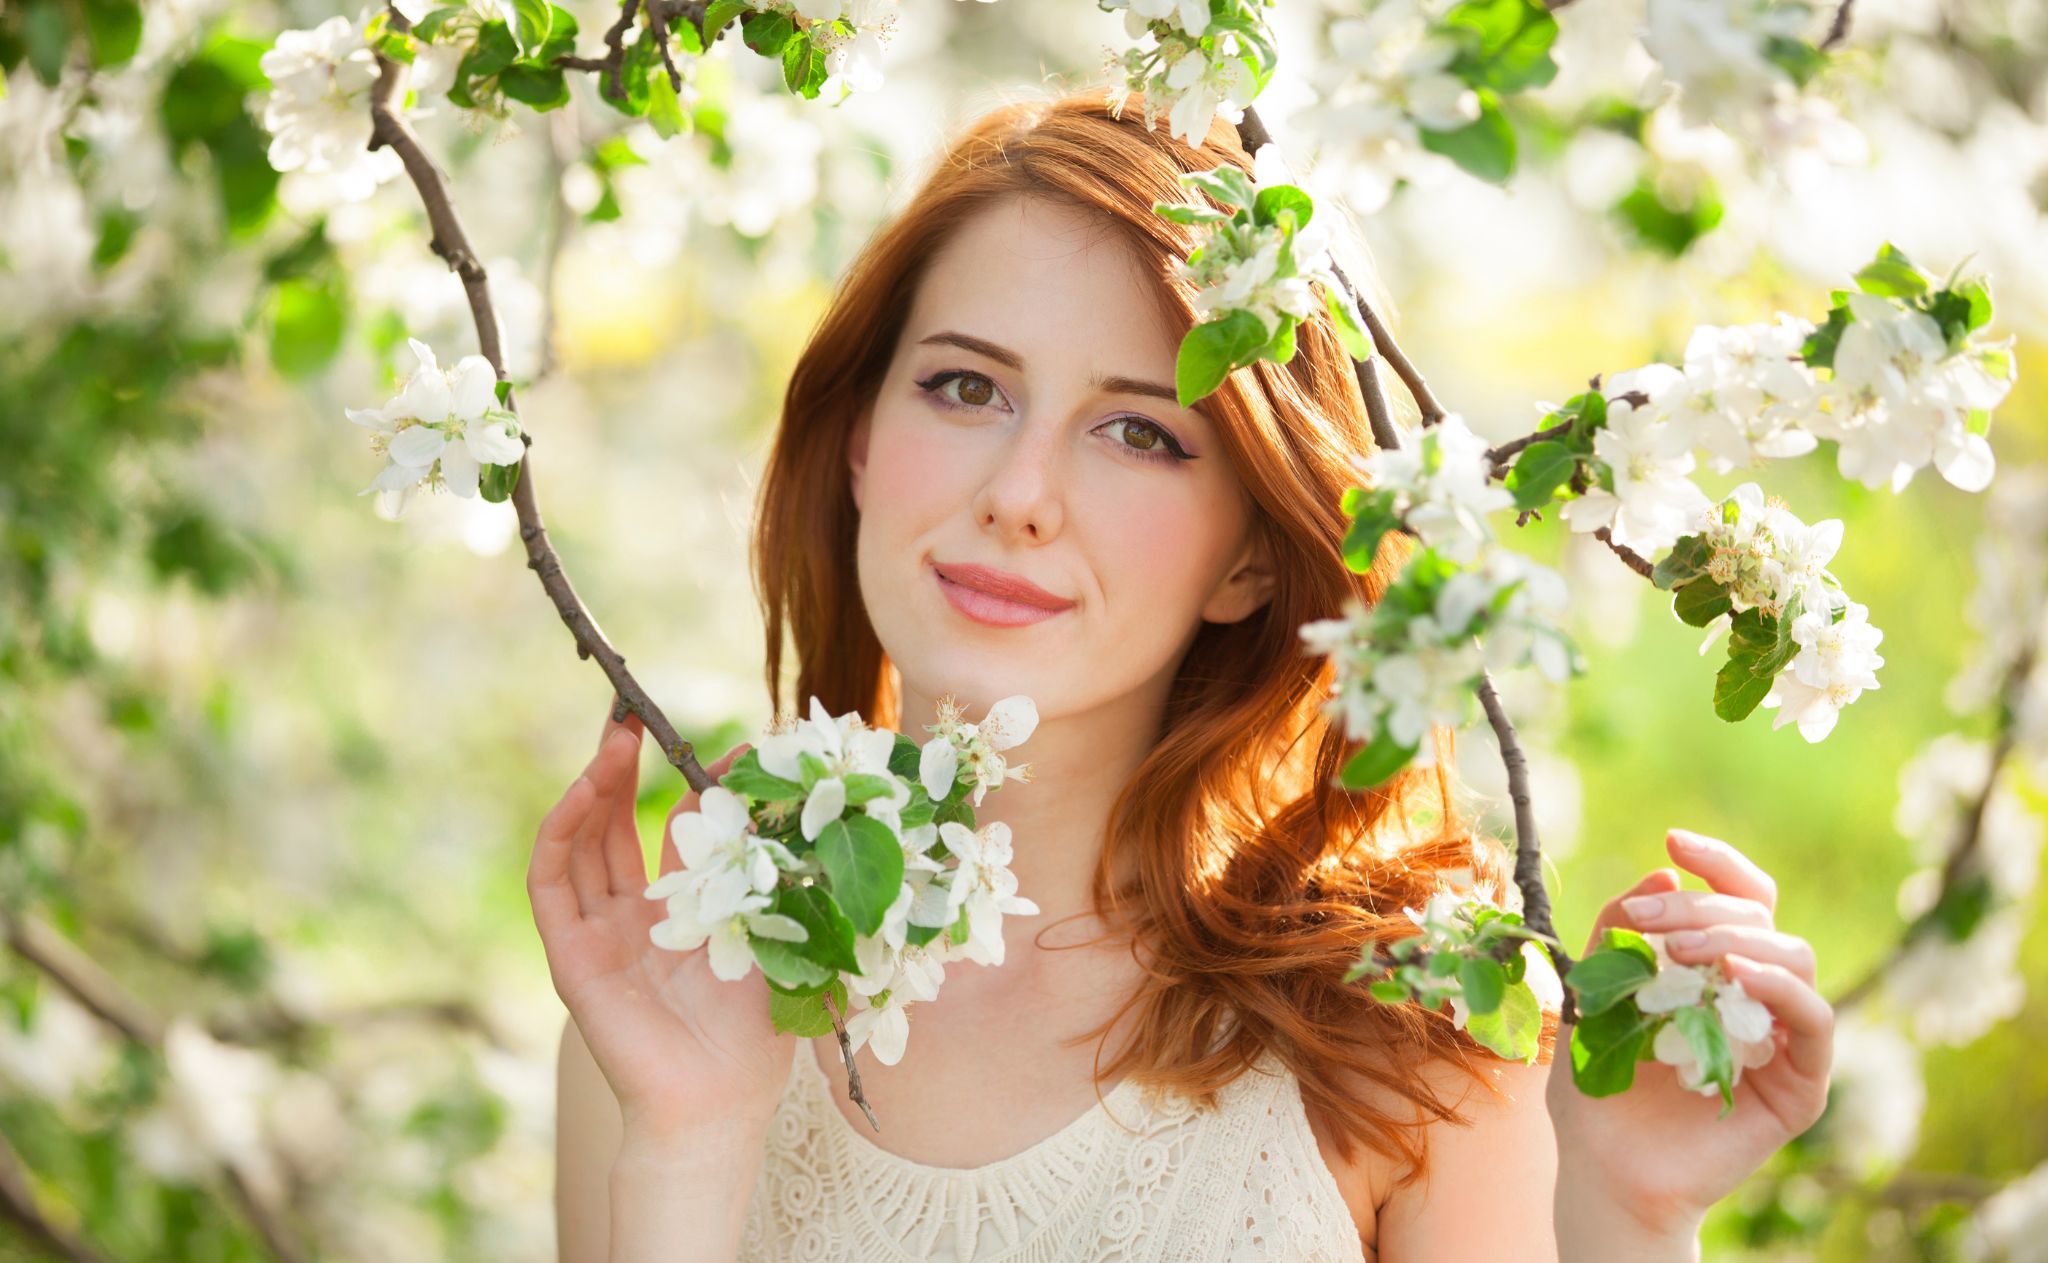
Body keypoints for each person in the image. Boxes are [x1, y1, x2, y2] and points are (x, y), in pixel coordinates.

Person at [529, 87, 1833, 1262]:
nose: (1021, 495)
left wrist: (1626, 1215)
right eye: (966, 387)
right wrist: (689, 1144)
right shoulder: (684, 983)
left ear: (1253, 560)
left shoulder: (1410, 1026)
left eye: (1140, 432)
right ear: (860, 439)